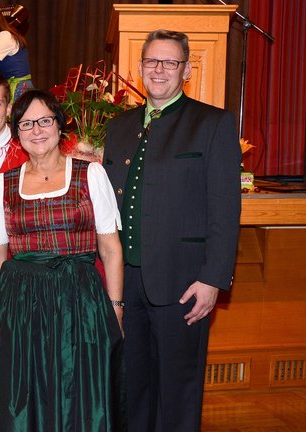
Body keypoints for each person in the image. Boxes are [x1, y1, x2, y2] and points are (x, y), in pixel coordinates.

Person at [103, 29, 241, 431]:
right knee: (131, 390)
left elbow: (224, 208)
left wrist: (213, 278)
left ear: (186, 70)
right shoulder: (120, 127)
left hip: (184, 284)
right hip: (124, 284)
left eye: (170, 62)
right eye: (151, 61)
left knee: (178, 393)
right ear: (140, 66)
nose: (159, 69)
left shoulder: (212, 123)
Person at [0, 89, 125, 430]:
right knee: (25, 393)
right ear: (16, 133)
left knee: (80, 393)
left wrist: (116, 309)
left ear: (60, 126)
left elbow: (111, 248)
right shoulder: (0, 184)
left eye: (45, 121)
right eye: (26, 123)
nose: (37, 130)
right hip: (22, 304)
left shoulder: (91, 175)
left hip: (80, 300)